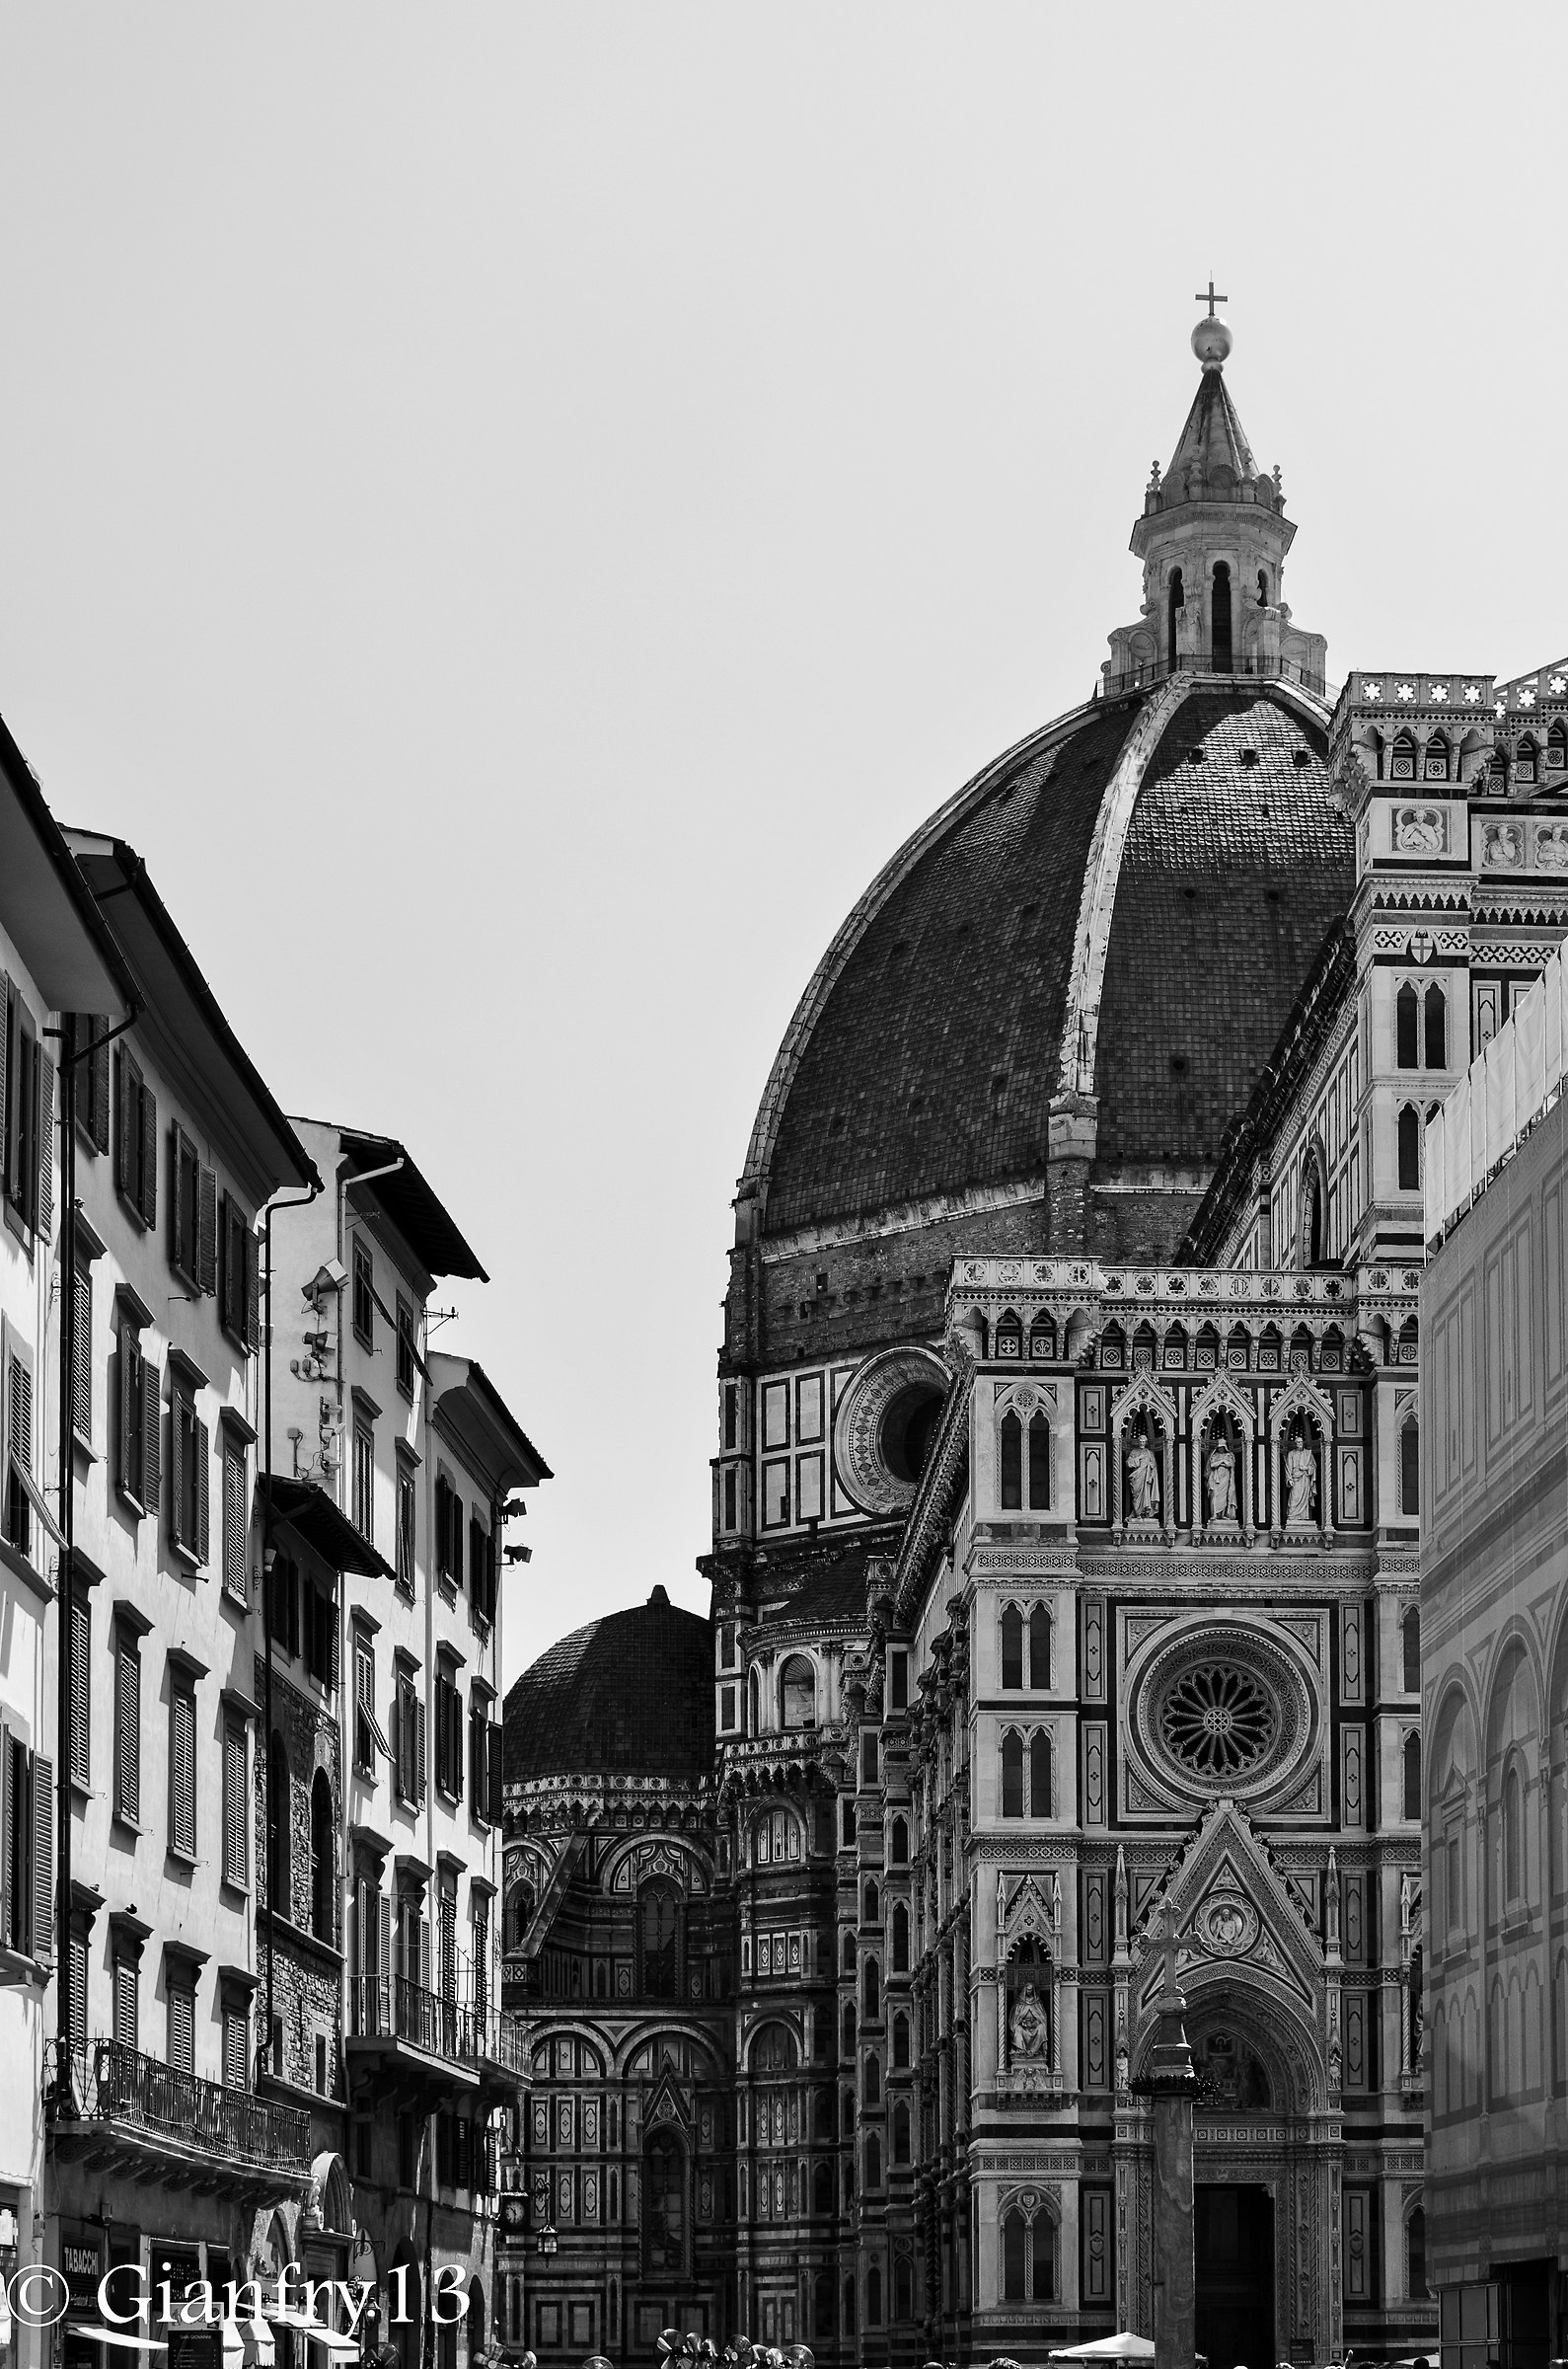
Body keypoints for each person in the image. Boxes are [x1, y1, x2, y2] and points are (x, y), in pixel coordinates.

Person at [1284, 1427, 1316, 1526]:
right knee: (1294, 1498)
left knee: (1304, 1499)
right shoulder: (1291, 1454)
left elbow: (1313, 1466)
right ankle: (1292, 1516)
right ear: (1295, 1443)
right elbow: (1288, 1468)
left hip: (1305, 1478)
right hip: (1295, 1478)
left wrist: (1306, 1468)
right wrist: (1289, 1479)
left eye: (1301, 1442)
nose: (1299, 1443)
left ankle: (1304, 1517)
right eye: (1298, 1442)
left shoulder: (1308, 1453)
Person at [1127, 1426, 1160, 1519]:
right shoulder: (1134, 1452)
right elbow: (1129, 1463)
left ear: (1146, 1442)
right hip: (1137, 1477)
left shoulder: (1149, 1453)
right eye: (1140, 1441)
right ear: (1138, 1442)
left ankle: (1145, 1514)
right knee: (1136, 1495)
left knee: (1146, 1496)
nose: (1142, 1443)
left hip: (1146, 1478)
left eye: (1143, 1441)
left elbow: (1154, 1467)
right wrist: (1138, 1458)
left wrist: (1151, 1476)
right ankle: (1137, 1513)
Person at [1205, 1430, 1236, 1522]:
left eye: (1222, 1447)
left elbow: (1230, 1464)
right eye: (1219, 1447)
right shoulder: (1214, 1455)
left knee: (1226, 1496)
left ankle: (1222, 1514)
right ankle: (1214, 1514)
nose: (1220, 1449)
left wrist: (1221, 1463)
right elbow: (1212, 1465)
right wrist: (1222, 1462)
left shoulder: (1229, 1455)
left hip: (1225, 1478)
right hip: (1216, 1478)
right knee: (1215, 1495)